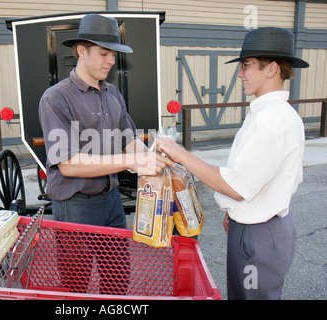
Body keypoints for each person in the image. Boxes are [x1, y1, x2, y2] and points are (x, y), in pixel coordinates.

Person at [155, 27, 309, 300]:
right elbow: (253, 179)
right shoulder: (271, 113)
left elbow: (236, 186)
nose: (240, 73)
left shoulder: (271, 120)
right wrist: (237, 209)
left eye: (246, 65)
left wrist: (180, 155)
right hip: (255, 228)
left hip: (260, 235)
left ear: (271, 68)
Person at [39, 13, 173, 228]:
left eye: (112, 54)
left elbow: (128, 139)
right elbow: (68, 165)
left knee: (118, 262)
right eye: (104, 53)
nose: (111, 60)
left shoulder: (113, 92)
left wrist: (153, 159)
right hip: (75, 203)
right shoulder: (56, 97)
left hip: (111, 197)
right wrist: (132, 162)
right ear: (82, 51)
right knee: (78, 264)